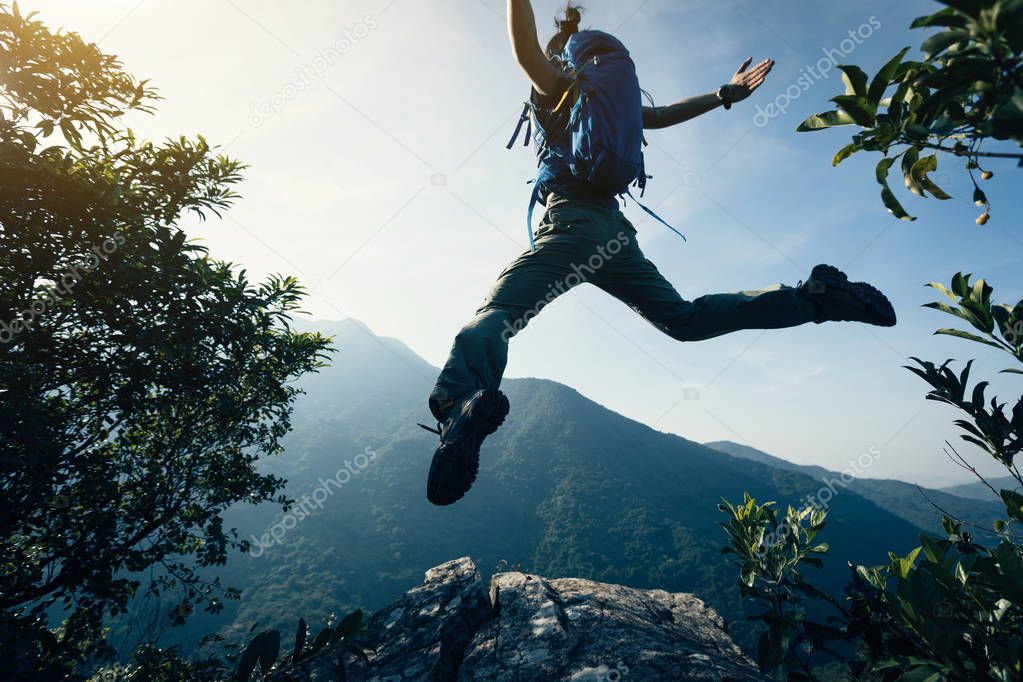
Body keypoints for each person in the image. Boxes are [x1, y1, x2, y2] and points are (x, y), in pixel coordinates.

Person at [421, 1, 896, 506]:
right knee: (683, 320)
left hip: (572, 226)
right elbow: (664, 116)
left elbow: (524, 51)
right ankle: (814, 299)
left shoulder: (559, 92)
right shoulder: (611, 104)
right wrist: (723, 95)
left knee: (498, 313)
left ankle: (459, 401)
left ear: (568, 63)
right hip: (616, 235)